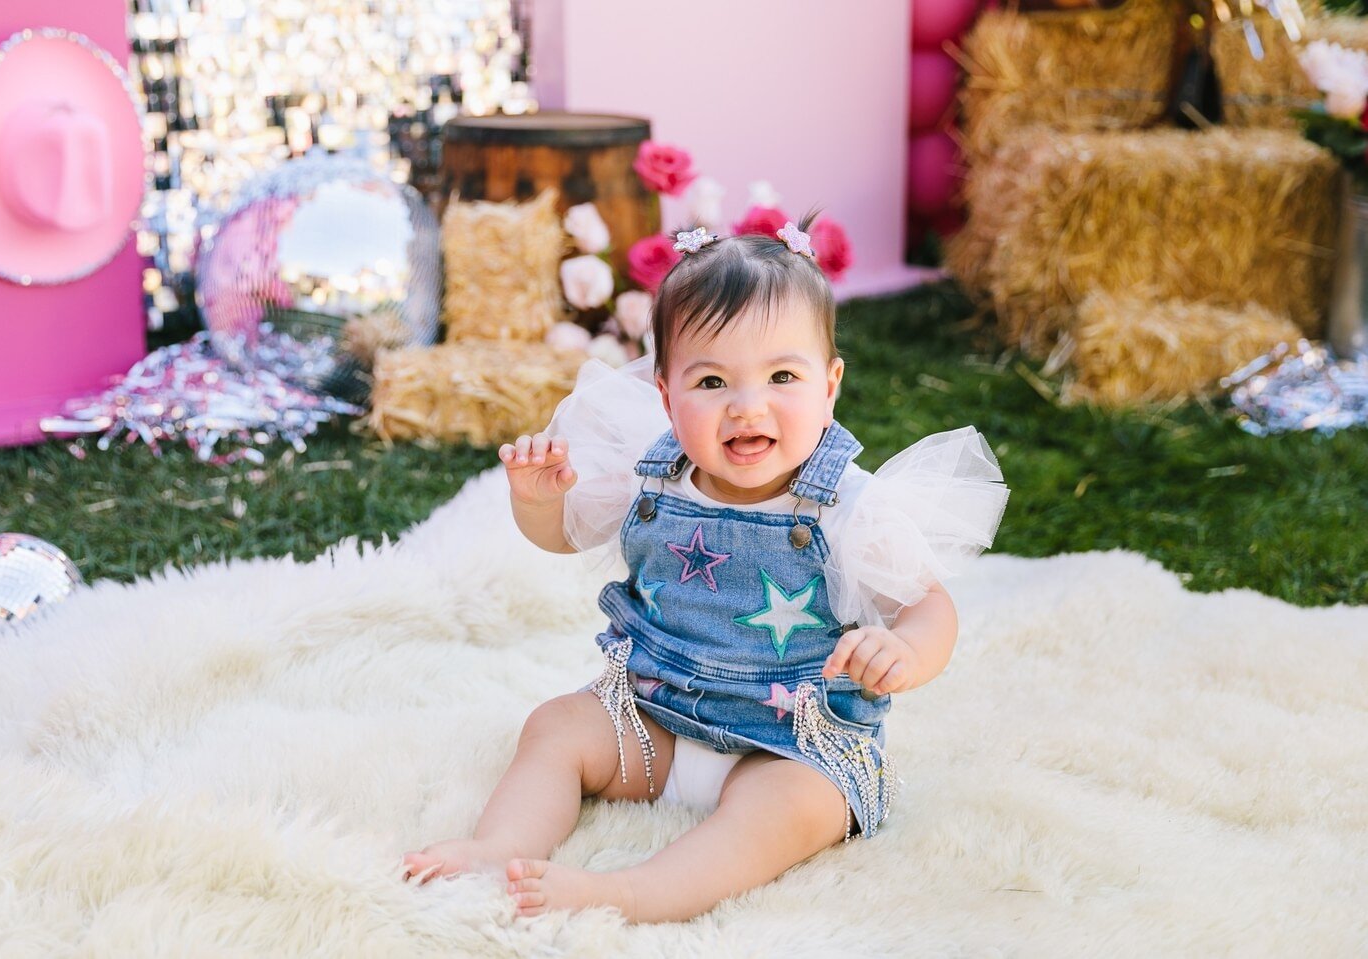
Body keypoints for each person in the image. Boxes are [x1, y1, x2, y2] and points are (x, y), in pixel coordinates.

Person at [402, 219, 1009, 922]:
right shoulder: (652, 475)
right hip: (652, 715)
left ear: (830, 385)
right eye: (712, 380)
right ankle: (497, 844)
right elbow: (561, 537)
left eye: (782, 376)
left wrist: (904, 649)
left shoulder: (848, 504)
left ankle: (635, 891)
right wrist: (537, 502)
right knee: (557, 724)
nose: (746, 405)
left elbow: (926, 605)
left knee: (789, 809)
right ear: (666, 394)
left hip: (792, 743)